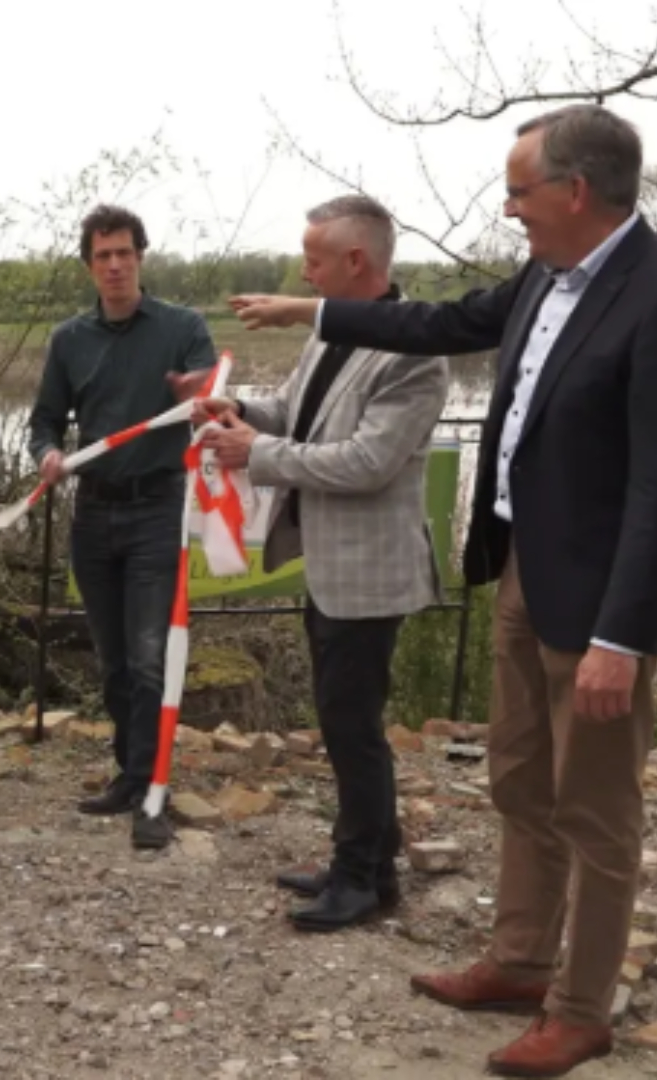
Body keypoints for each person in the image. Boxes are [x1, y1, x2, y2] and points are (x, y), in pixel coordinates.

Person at [230, 104, 657, 1077]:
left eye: (520, 191)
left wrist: (622, 639)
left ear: (576, 191)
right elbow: (436, 321)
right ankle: (519, 959)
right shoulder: (546, 274)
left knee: (596, 807)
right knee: (517, 778)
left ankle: (580, 1010)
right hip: (522, 571)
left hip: (600, 603)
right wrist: (310, 312)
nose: (511, 211)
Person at [190, 194, 447, 932]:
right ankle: (365, 864)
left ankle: (362, 879)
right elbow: (295, 411)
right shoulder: (333, 333)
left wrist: (257, 454)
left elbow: (367, 462)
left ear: (355, 262)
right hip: (334, 568)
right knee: (344, 721)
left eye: (312, 260)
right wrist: (233, 407)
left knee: (351, 726)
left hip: (371, 576)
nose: (301, 273)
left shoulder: (413, 354)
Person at [27, 204, 218, 852]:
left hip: (157, 508)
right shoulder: (68, 340)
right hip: (94, 512)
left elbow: (211, 399)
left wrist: (201, 392)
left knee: (147, 659)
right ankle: (128, 774)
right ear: (89, 265)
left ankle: (152, 794)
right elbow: (44, 421)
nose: (114, 265)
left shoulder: (183, 328)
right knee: (111, 661)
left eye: (125, 254)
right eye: (103, 256)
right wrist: (46, 455)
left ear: (141, 257)